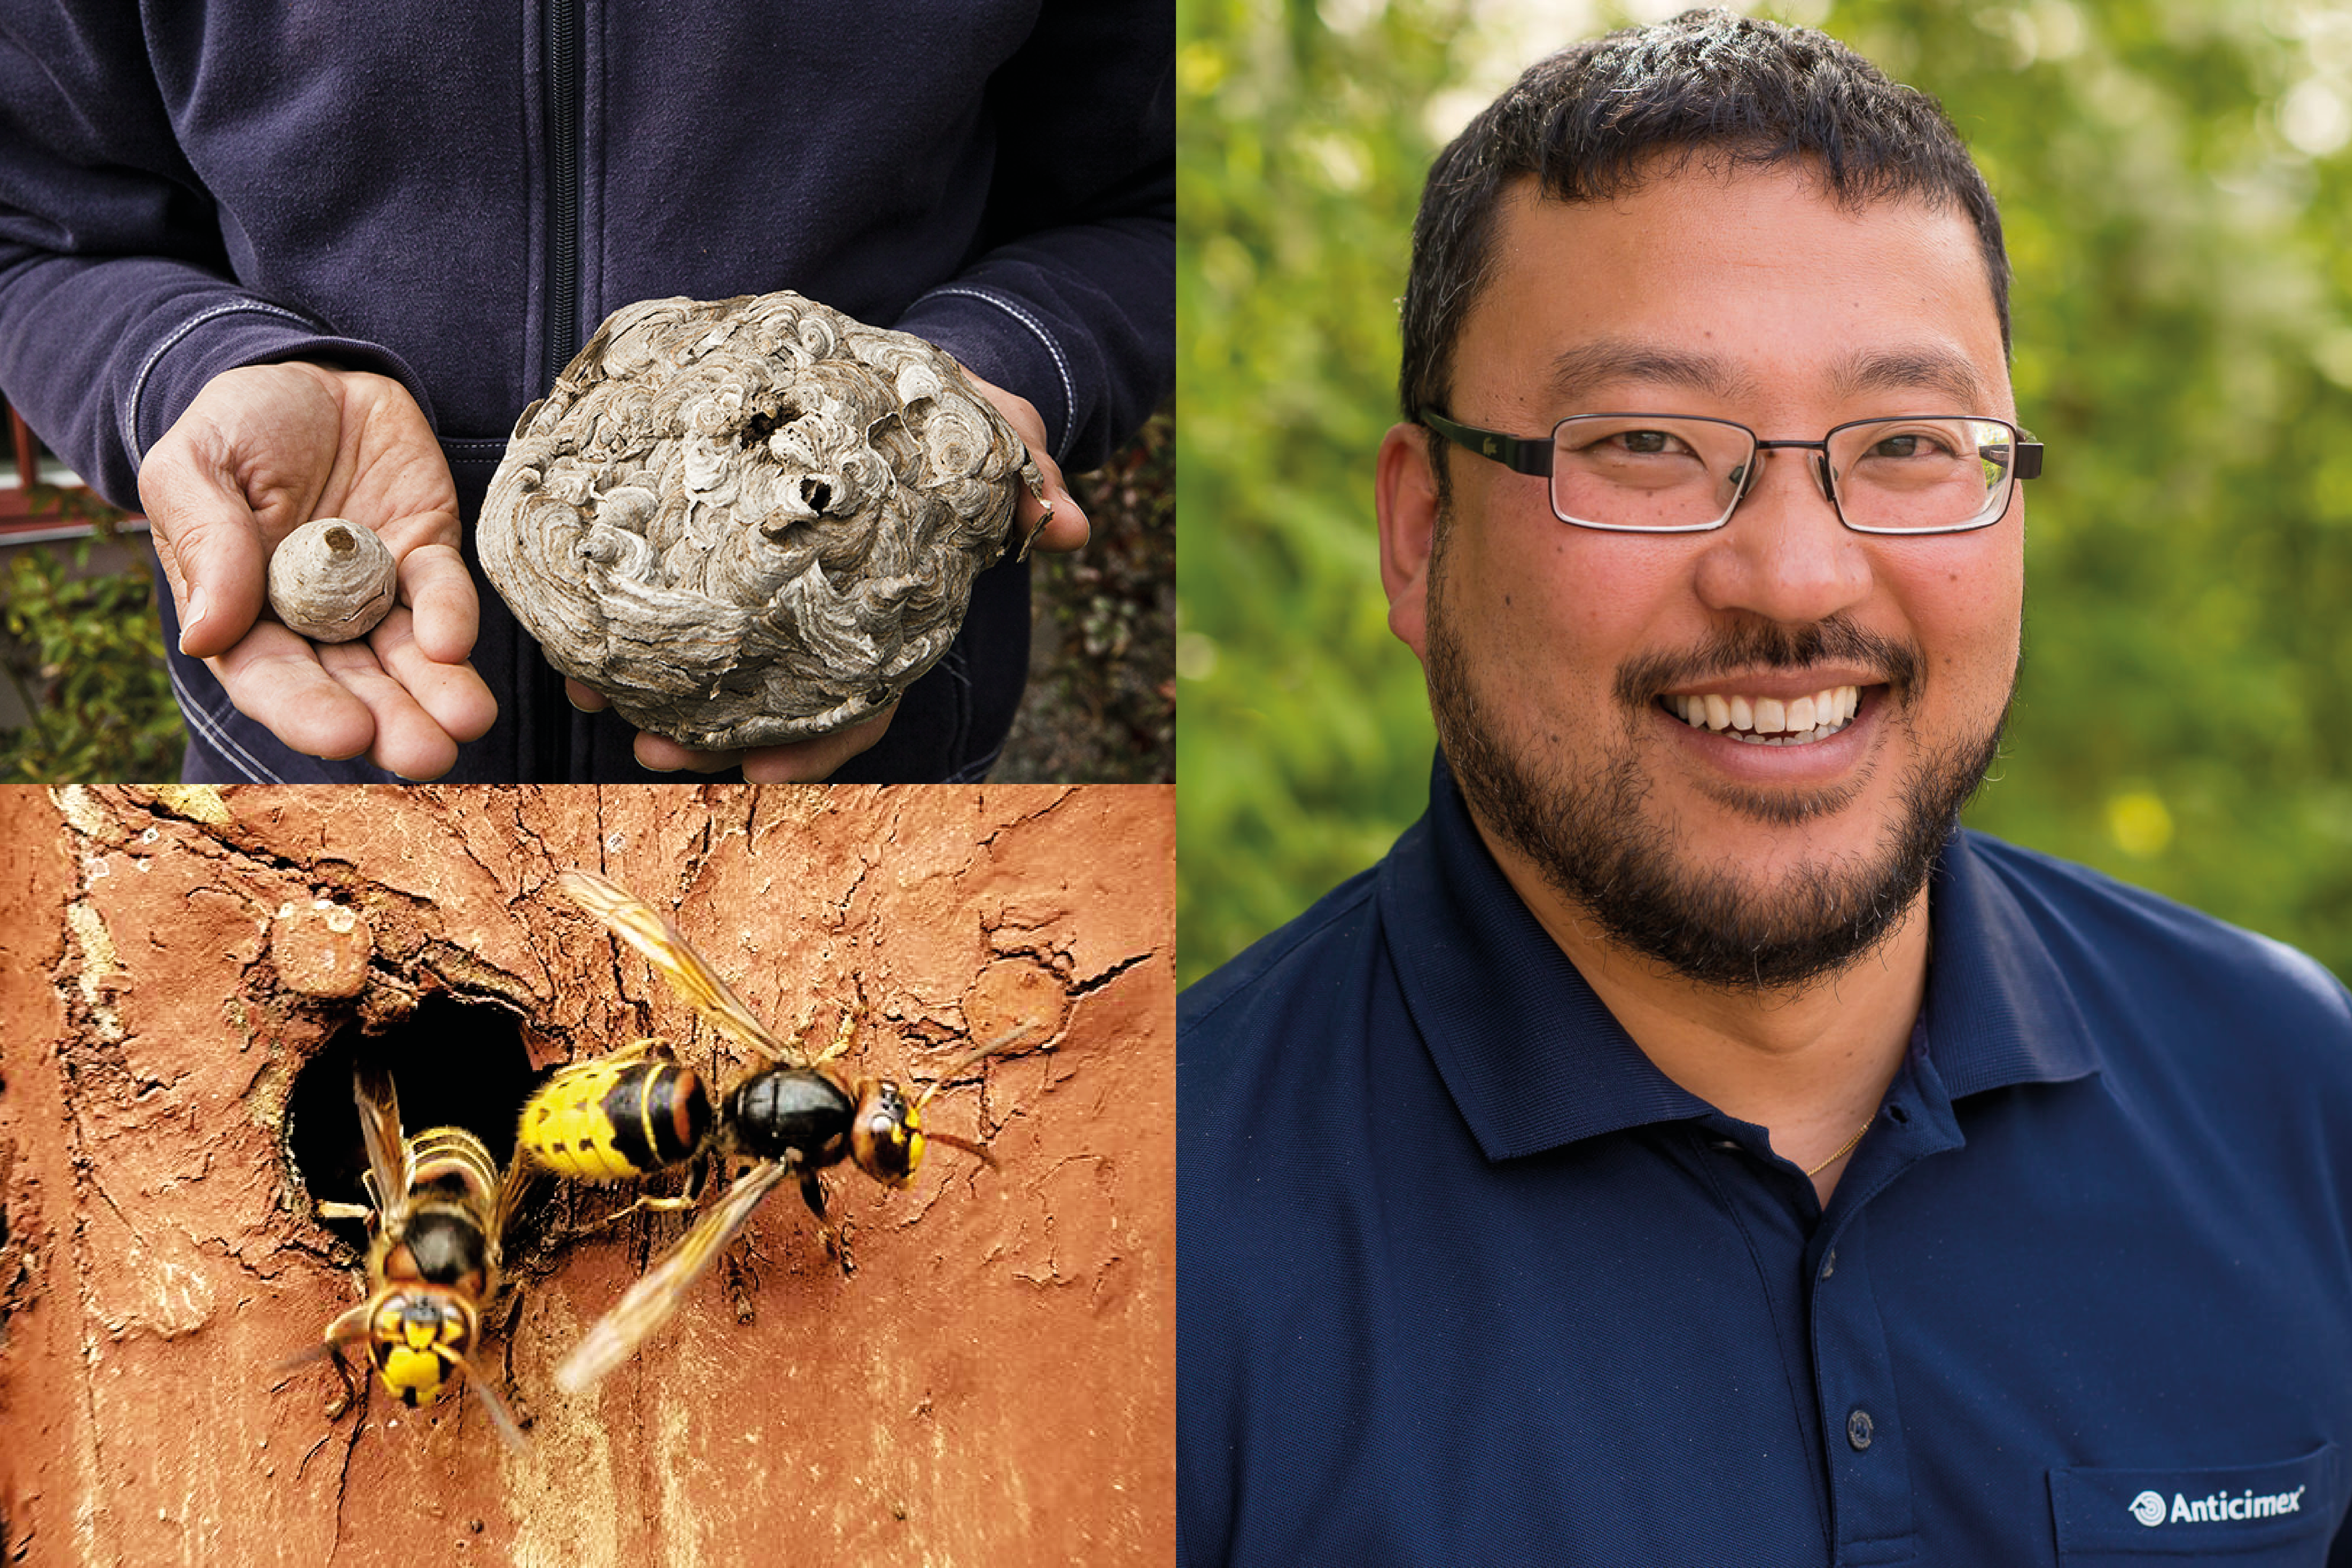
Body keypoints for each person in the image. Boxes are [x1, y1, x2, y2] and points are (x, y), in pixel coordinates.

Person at [1178, 11, 2352, 1564]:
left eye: (1909, 443)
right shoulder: (1141, 1235)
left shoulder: (2291, 1091)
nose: (1796, 576)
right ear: (1418, 533)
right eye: (1646, 442)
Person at [0, 4, 1170, 782]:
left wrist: (973, 384)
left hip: (865, 794)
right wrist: (197, 366)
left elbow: (1149, 206)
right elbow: (38, 232)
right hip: (317, 776)